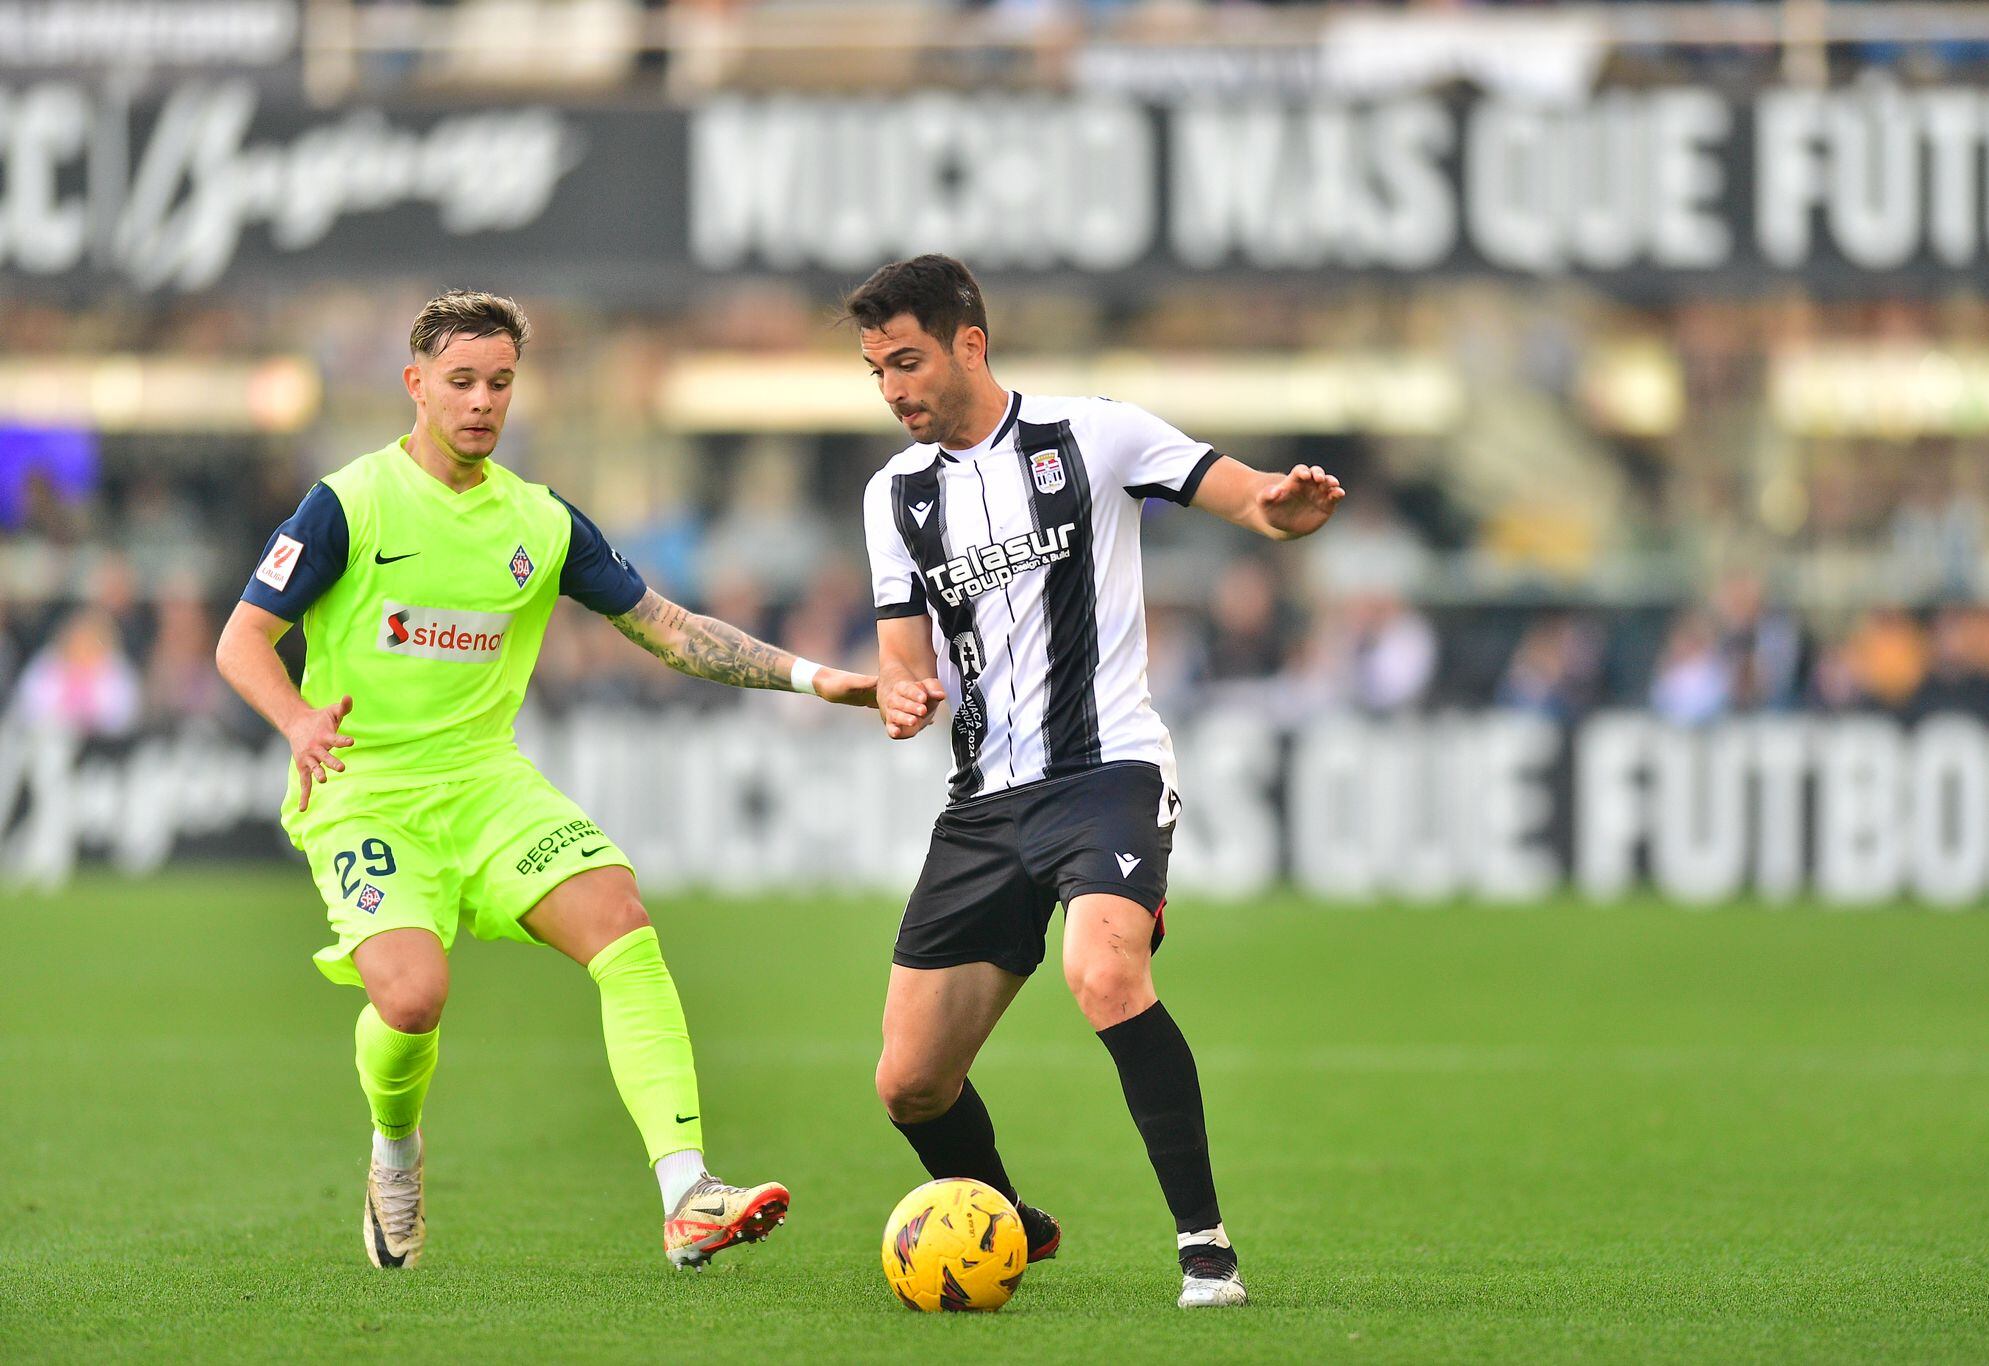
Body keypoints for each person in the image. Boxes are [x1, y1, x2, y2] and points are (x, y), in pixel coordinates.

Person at [214, 290, 876, 1272]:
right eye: (461, 381)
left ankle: (686, 1190)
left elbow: (669, 628)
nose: (482, 400)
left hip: (485, 783)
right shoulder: (349, 502)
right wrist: (299, 718)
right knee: (411, 998)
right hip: (365, 788)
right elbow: (242, 641)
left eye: (499, 382)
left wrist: (811, 675)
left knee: (622, 920)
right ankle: (394, 1145)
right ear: (416, 385)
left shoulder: (539, 521)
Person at [851, 255, 1343, 1309]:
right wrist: (900, 691)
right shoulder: (893, 495)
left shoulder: (1095, 433)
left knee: (1105, 972)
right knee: (908, 1082)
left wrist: (1278, 505)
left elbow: (1240, 494)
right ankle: (1002, 1222)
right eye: (875, 370)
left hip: (1104, 771)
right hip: (983, 802)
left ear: (968, 344)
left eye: (906, 361)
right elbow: (904, 651)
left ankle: (1204, 1248)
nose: (892, 390)